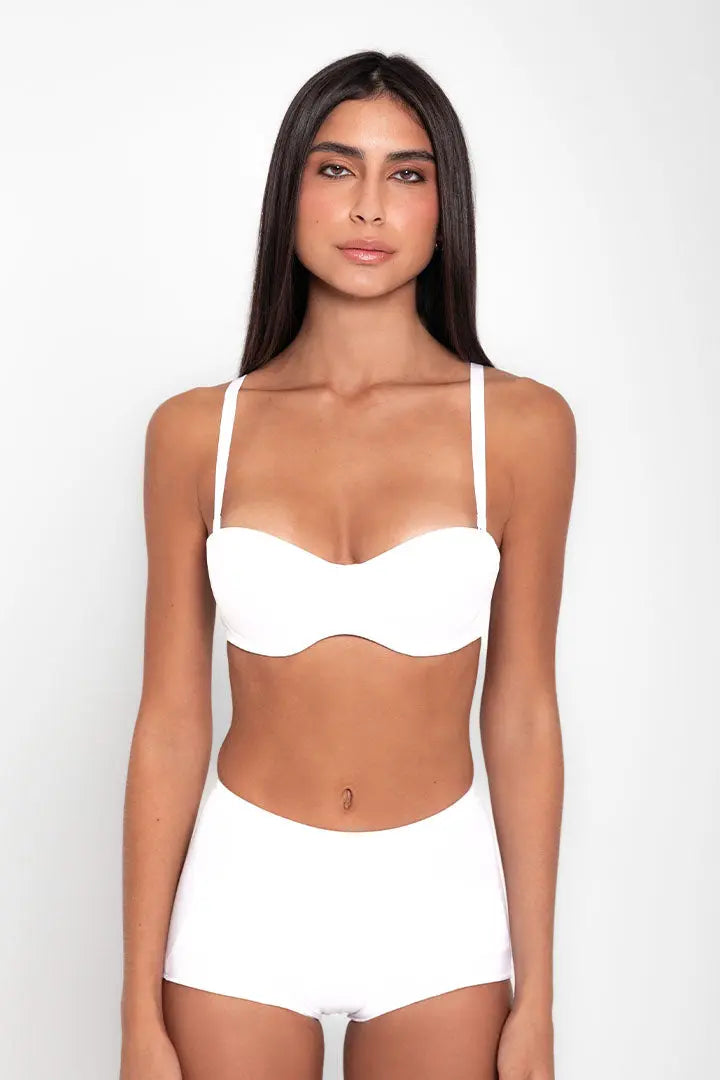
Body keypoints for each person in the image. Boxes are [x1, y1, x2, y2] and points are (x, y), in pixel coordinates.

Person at [120, 50, 575, 1080]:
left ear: (445, 207)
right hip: (242, 896)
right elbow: (170, 721)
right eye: (337, 169)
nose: (369, 206)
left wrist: (539, 997)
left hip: (440, 902)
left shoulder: (520, 428)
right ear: (290, 192)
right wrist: (136, 1008)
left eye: (406, 174)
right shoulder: (196, 434)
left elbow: (522, 713)